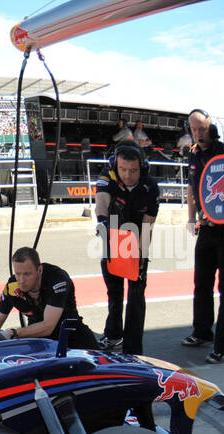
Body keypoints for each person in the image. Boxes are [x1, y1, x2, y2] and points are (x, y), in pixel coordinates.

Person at [182, 108, 224, 364]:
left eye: (202, 129)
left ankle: (222, 347)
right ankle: (202, 332)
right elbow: (192, 189)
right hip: (206, 230)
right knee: (201, 283)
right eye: (194, 129)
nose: (198, 134)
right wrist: (191, 218)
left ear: (211, 129)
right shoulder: (194, 154)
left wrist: (219, 215)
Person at [93, 142, 159, 355]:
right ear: (115, 166)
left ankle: (132, 349)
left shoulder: (150, 187)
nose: (128, 175)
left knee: (136, 298)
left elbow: (148, 224)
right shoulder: (107, 175)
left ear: (143, 168)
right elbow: (102, 200)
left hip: (137, 241)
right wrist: (102, 221)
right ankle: (113, 334)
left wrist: (140, 257)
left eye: (133, 170)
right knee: (114, 293)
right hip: (112, 239)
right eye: (123, 169)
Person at [0, 247, 99, 350]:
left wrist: (13, 333)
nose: (21, 280)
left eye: (27, 274)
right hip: (38, 341)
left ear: (39, 270)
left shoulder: (57, 279)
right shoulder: (12, 286)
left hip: (74, 339)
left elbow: (48, 326)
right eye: (17, 274)